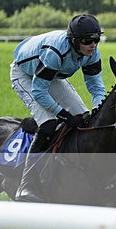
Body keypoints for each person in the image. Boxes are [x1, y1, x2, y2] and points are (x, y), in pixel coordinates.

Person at [10, 13, 106, 202]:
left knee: (85, 118)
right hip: (25, 75)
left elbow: (96, 87)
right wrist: (63, 115)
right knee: (48, 124)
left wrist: (98, 109)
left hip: (51, 76)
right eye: (88, 40)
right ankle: (26, 184)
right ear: (74, 40)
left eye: (96, 39)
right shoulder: (56, 52)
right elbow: (39, 92)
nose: (93, 44)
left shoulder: (93, 53)